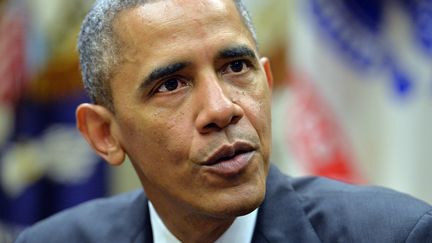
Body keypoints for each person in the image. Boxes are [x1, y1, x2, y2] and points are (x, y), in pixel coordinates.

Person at [16, 0, 432, 242]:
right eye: (171, 84)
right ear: (104, 134)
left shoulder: (395, 235)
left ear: (267, 83)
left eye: (236, 67)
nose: (221, 109)